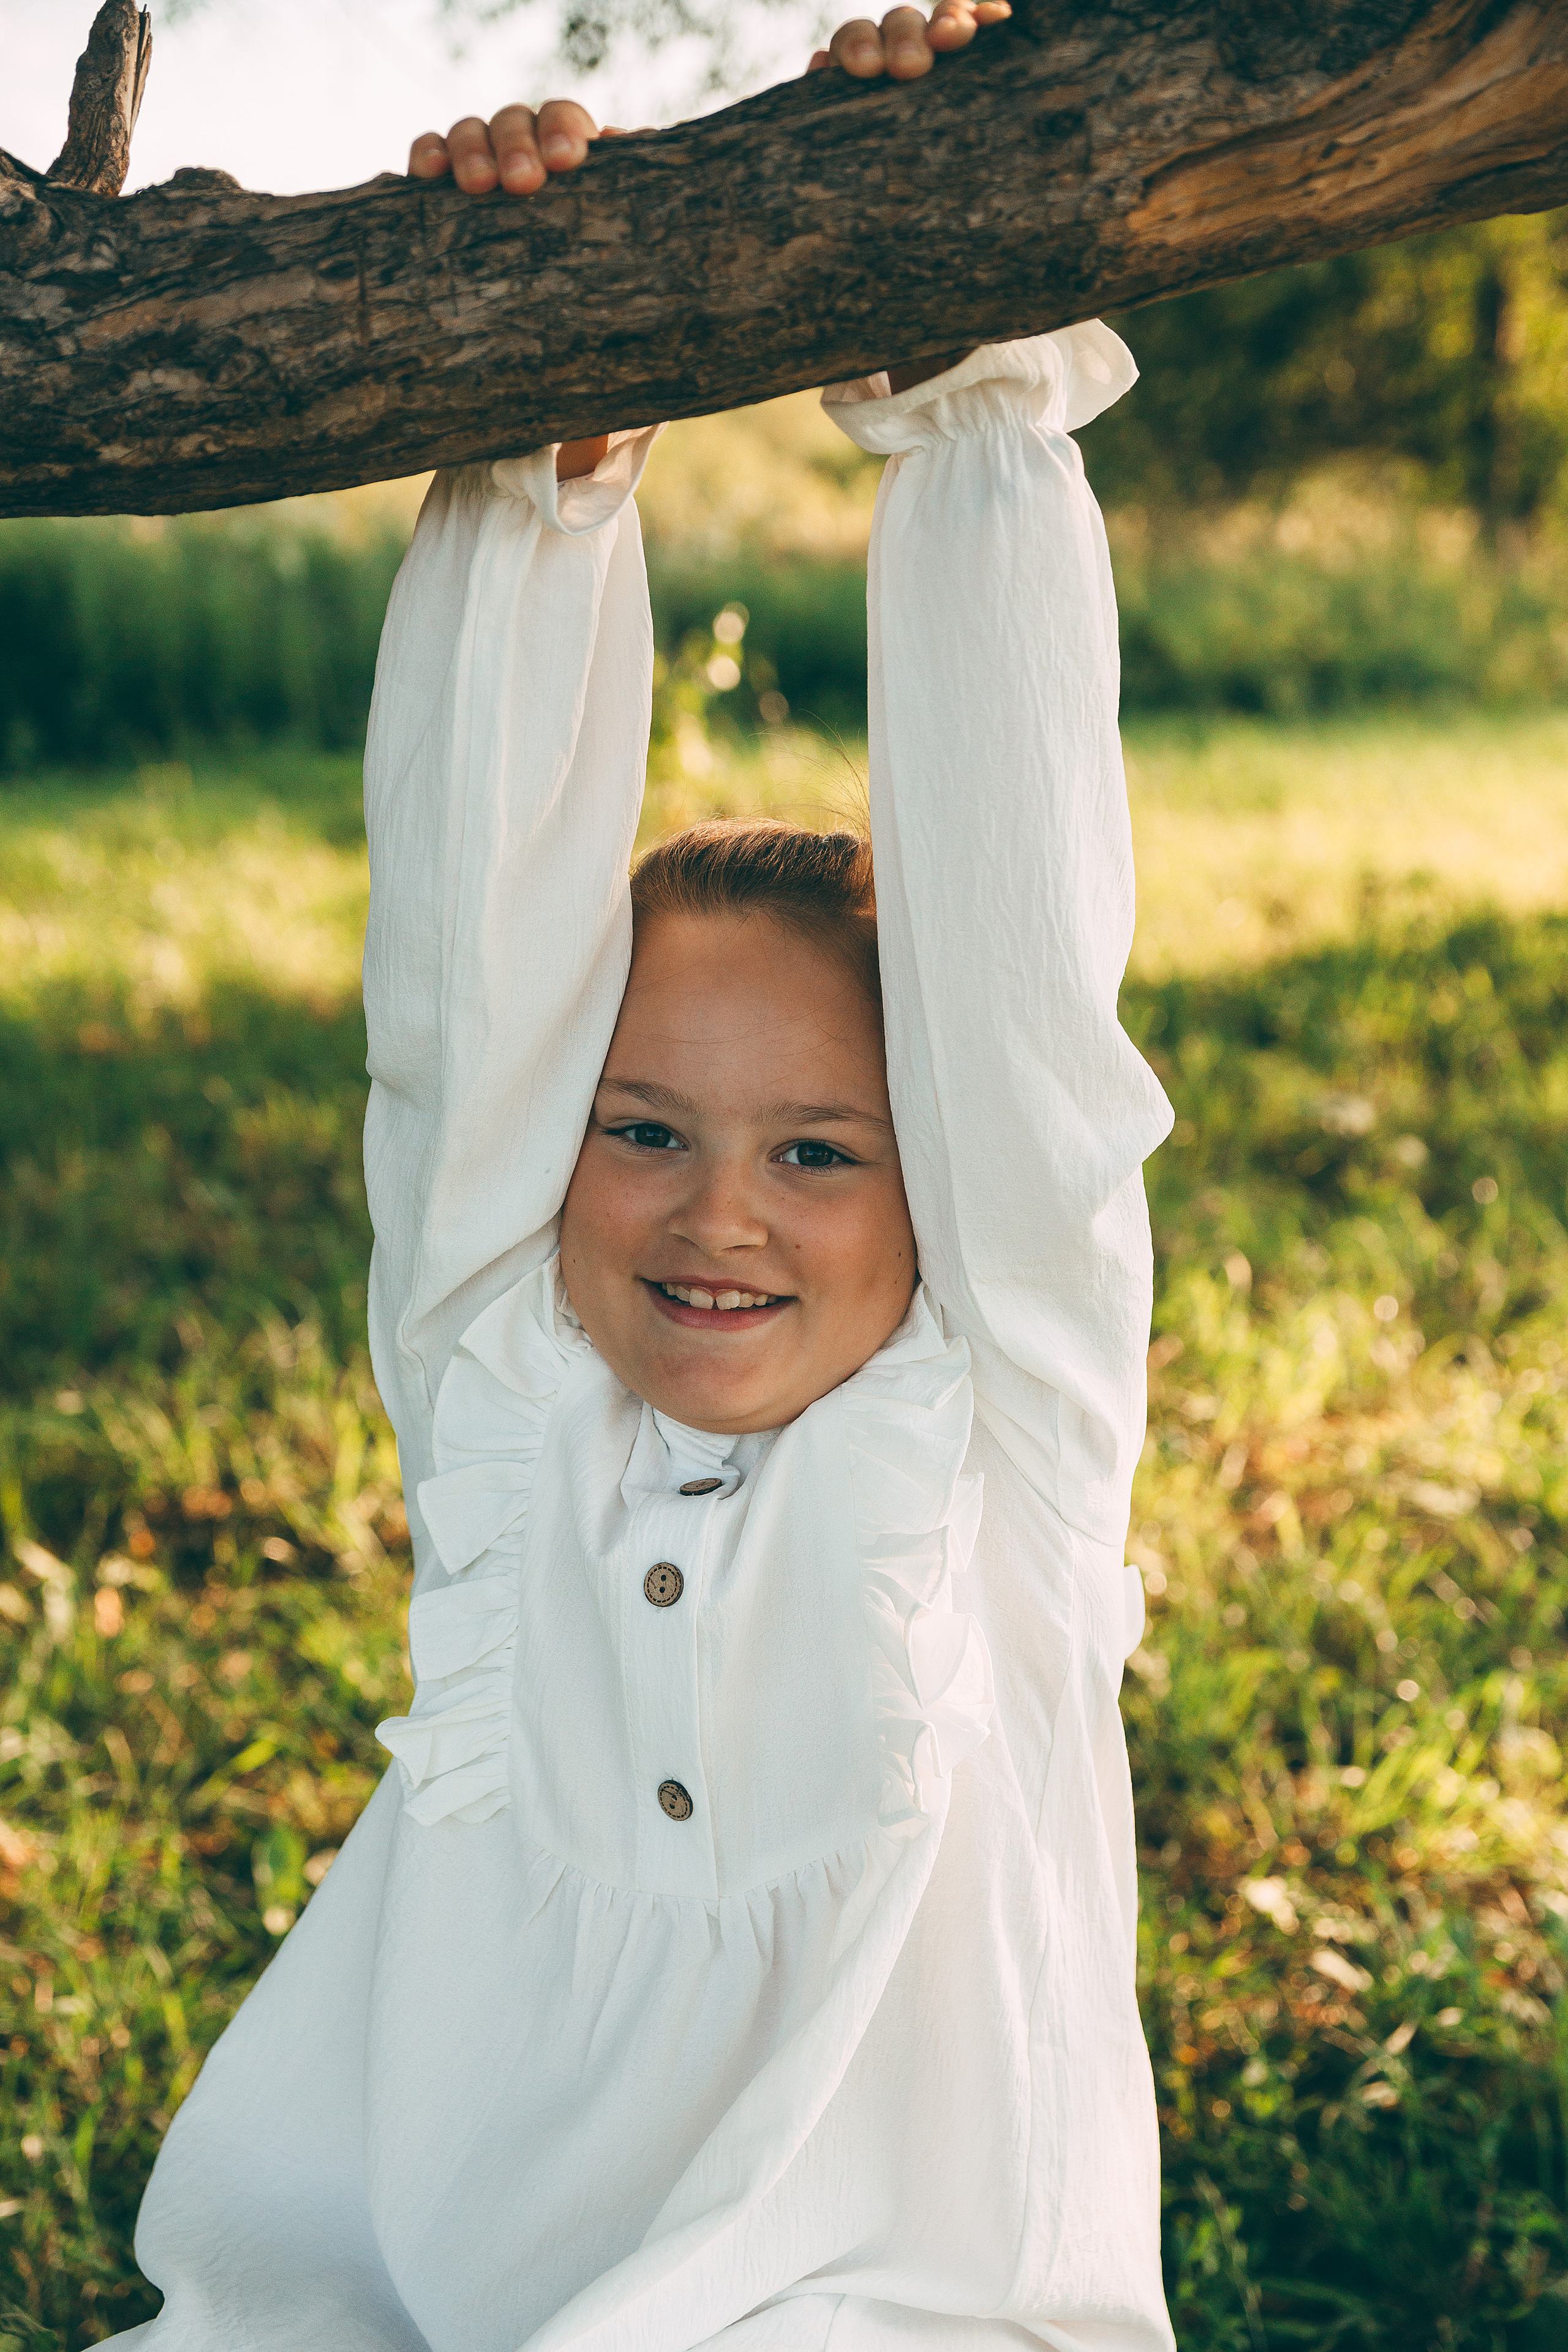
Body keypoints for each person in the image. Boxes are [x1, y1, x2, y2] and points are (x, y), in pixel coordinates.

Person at [107, 7, 1175, 2346]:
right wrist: (539, 435)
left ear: (937, 1191)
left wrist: (967, 354)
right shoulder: (501, 1392)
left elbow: (1018, 1000)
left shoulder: (1002, 1431)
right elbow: (471, 982)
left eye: (820, 1151)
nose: (721, 1217)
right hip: (424, 2293)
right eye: (649, 1133)